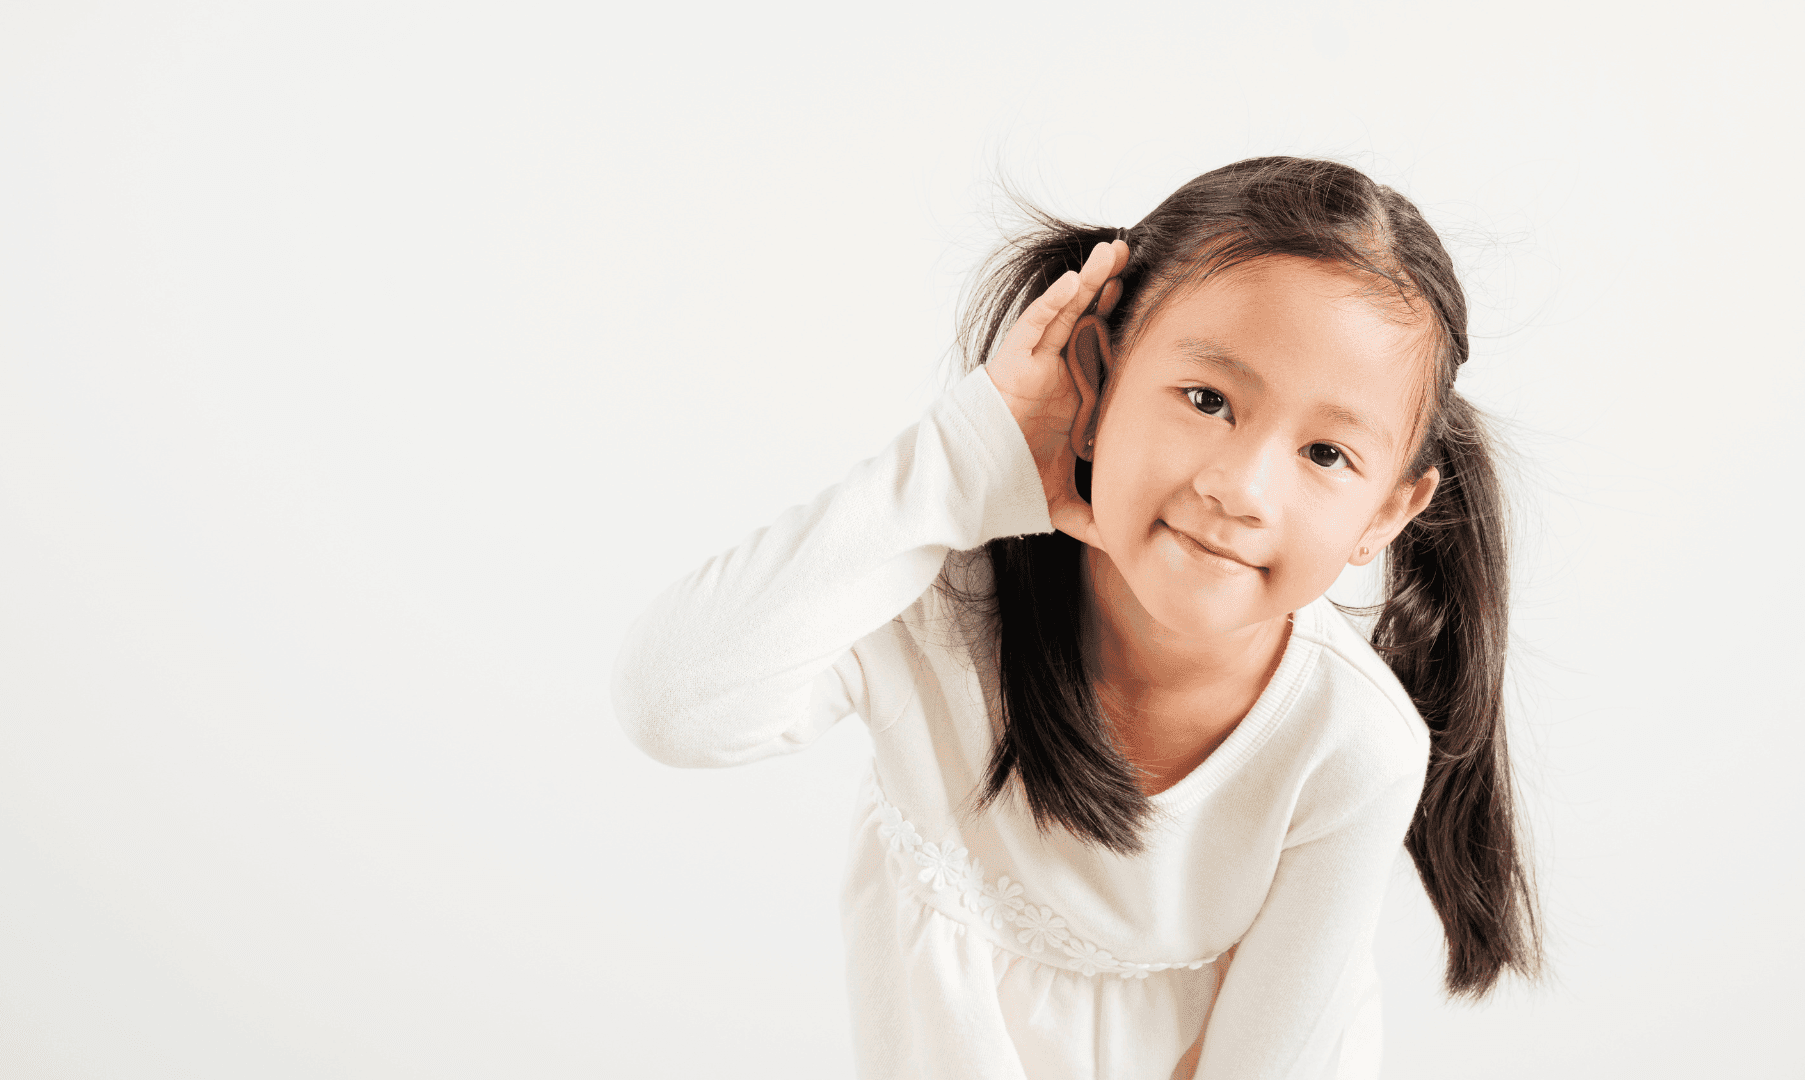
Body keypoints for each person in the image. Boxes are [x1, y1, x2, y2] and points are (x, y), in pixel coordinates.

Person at [610, 156, 1543, 1079]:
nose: (1241, 487)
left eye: (1326, 453)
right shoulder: (934, 603)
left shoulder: (1352, 746)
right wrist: (964, 457)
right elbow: (674, 704)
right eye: (1208, 400)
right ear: (1095, 382)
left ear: (1385, 512)